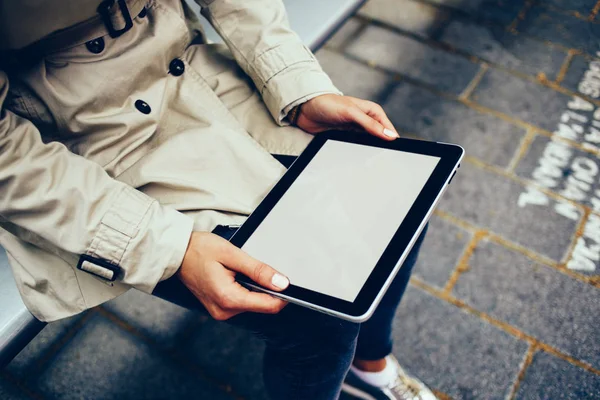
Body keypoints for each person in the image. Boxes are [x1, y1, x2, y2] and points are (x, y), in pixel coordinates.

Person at [0, 0, 436, 399]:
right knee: (314, 315)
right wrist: (167, 248)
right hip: (80, 145)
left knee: (396, 194)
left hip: (195, 73)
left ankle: (369, 364)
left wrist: (299, 86)